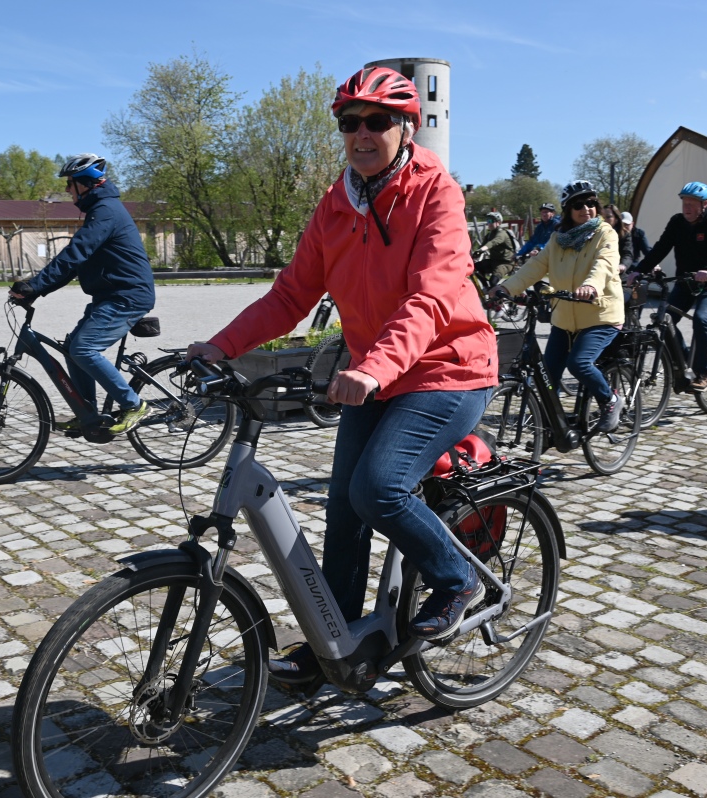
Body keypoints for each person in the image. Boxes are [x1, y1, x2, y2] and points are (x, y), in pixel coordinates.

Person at [186, 66, 497, 684]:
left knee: (376, 490)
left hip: (448, 369)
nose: (361, 133)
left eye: (377, 121)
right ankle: (338, 641)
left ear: (407, 128)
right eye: (349, 123)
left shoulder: (436, 192)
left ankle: (457, 578)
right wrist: (220, 347)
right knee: (343, 511)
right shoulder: (337, 204)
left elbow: (431, 296)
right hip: (377, 375)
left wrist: (374, 367)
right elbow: (290, 295)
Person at [9, 154, 156, 437]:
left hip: (127, 296)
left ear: (85, 184)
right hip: (111, 295)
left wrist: (35, 285)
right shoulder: (99, 210)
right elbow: (76, 264)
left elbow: (75, 253)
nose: (67, 190)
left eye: (70, 183)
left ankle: (134, 405)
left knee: (83, 349)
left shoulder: (106, 211)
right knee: (73, 347)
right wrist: (36, 291)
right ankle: (88, 413)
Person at [494, 181, 624, 431]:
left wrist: (591, 285)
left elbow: (605, 263)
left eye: (591, 203)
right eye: (579, 205)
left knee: (579, 364)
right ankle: (552, 428)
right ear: (568, 210)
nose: (586, 208)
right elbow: (535, 267)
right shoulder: (558, 239)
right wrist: (507, 288)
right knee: (548, 375)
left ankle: (610, 400)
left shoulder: (605, 233)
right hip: (564, 318)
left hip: (600, 314)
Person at [632, 181, 707, 391]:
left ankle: (703, 373)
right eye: (684, 202)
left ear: (704, 204)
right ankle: (685, 362)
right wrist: (639, 271)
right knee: (664, 320)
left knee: (701, 319)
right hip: (686, 282)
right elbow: (660, 248)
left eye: (692, 203)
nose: (687, 207)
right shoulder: (677, 222)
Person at [474, 211, 517, 284]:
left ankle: (493, 289)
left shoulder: (502, 234)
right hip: (493, 261)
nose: (488, 223)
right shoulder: (489, 235)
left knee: (493, 282)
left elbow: (493, 242)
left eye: (491, 221)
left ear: (499, 222)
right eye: (487, 221)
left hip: (505, 263)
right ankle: (486, 287)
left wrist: (481, 250)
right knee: (474, 267)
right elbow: (481, 247)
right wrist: (475, 254)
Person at [601, 203, 634, 271]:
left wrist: (623, 265)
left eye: (608, 217)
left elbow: (627, 254)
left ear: (616, 219)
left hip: (616, 271)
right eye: (602, 217)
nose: (604, 220)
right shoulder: (594, 233)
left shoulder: (625, 235)